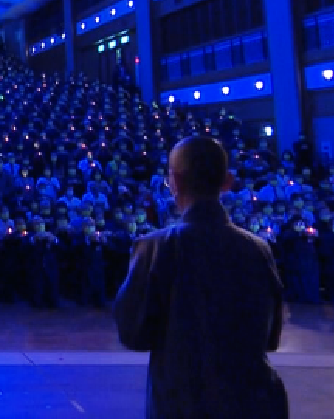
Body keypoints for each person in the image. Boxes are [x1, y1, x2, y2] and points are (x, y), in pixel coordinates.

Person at [114, 136, 288, 418]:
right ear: (228, 182)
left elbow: (133, 334)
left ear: (175, 182)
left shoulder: (156, 247)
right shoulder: (259, 249)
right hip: (254, 402)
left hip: (182, 403)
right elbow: (271, 338)